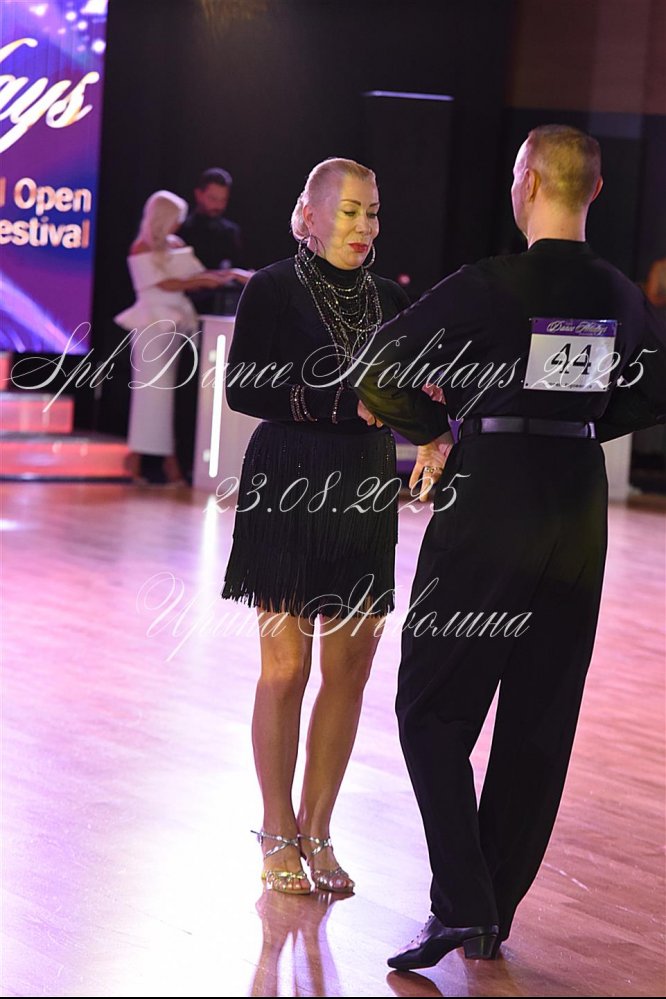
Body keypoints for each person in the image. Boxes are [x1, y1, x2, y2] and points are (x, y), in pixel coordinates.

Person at [352, 125, 666, 968]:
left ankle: (462, 902)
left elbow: (376, 368)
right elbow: (654, 394)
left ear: (524, 182)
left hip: (492, 497)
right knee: (540, 718)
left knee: (431, 709)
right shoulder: (620, 293)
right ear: (594, 190)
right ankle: (489, 910)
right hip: (578, 506)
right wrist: (580, 420)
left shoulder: (488, 283)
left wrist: (435, 429)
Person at [221, 158, 410, 894]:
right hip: (288, 479)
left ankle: (319, 828)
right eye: (350, 211)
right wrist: (340, 402)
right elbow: (244, 387)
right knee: (286, 668)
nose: (364, 226)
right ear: (310, 214)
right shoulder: (271, 287)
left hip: (366, 484)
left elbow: (411, 385)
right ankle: (276, 828)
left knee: (350, 668)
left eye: (373, 212)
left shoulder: (392, 297)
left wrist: (428, 415)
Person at [115, 190, 229, 484]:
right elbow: (164, 283)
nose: (179, 223)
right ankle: (154, 461)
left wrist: (227, 276)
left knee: (165, 395)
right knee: (151, 395)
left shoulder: (175, 244)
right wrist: (200, 280)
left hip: (175, 326)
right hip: (152, 327)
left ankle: (152, 461)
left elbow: (196, 274)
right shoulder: (141, 248)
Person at [178, 167, 253, 316]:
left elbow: (241, 265)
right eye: (212, 199)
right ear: (199, 194)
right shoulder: (182, 230)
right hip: (188, 307)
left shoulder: (231, 231)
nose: (218, 206)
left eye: (223, 200)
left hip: (226, 305)